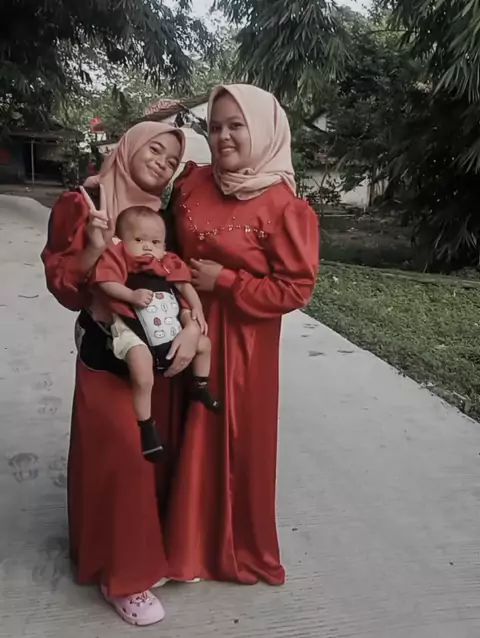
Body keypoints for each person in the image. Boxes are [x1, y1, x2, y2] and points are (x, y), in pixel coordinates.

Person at [41, 122, 202, 626]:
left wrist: (194, 327)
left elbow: (177, 278)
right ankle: (125, 579)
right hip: (106, 356)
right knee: (125, 455)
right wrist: (94, 247)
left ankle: (125, 550)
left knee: (145, 460)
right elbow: (65, 289)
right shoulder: (84, 202)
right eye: (154, 149)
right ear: (129, 146)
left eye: (171, 160)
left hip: (159, 354)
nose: (162, 163)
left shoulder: (160, 214)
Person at [163, 84, 320, 585]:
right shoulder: (192, 183)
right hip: (181, 324)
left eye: (236, 125)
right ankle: (172, 539)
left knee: (227, 441)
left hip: (242, 347)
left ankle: (221, 549)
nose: (223, 136)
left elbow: (295, 289)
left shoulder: (283, 206)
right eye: (215, 126)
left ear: (264, 131)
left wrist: (226, 281)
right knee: (175, 428)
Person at [90, 205, 220, 462]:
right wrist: (130, 295)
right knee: (141, 369)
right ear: (121, 240)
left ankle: (200, 385)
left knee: (205, 345)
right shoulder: (118, 257)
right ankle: (146, 426)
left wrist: (196, 307)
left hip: (169, 327)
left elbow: (184, 285)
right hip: (132, 326)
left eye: (155, 242)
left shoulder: (168, 262)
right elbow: (105, 281)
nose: (147, 247)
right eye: (139, 240)